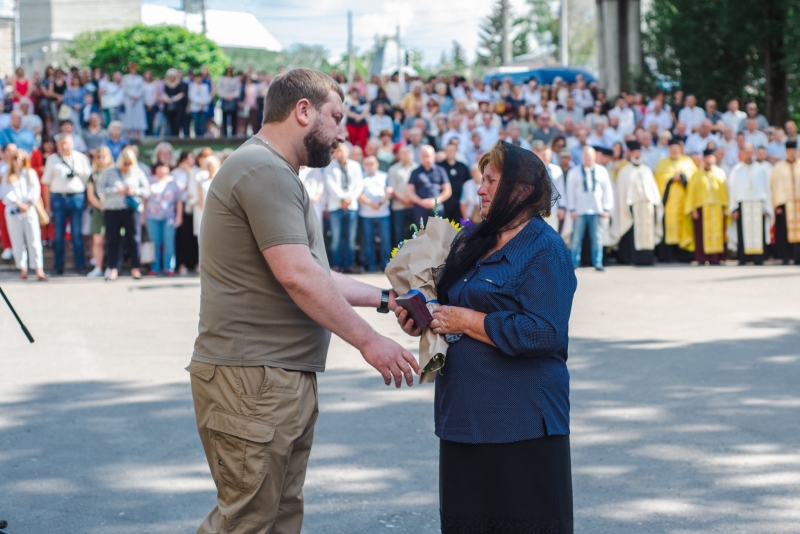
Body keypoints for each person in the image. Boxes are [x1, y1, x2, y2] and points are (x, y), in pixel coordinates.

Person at [187, 68, 419, 534]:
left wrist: (386, 298)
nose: (341, 134)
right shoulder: (264, 170)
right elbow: (297, 276)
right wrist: (370, 343)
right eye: (336, 118)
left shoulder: (272, 170)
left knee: (277, 518)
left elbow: (315, 273)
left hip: (270, 379)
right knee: (247, 523)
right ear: (303, 110)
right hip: (253, 380)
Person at [396, 140, 576, 533]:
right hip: (463, 417)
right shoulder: (473, 240)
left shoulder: (546, 250)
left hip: (521, 422)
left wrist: (467, 321)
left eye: (492, 181)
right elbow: (447, 303)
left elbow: (544, 332)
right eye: (482, 179)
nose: (480, 189)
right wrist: (422, 319)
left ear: (522, 191)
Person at [96, 147, 150, 281]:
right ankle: (113, 268)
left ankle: (135, 268)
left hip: (131, 210)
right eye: (125, 163)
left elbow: (147, 190)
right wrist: (115, 190)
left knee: (134, 239)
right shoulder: (109, 171)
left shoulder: (137, 172)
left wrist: (134, 190)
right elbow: (100, 189)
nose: (127, 166)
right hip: (112, 210)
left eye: (129, 163)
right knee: (113, 239)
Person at [41, 133, 92, 275]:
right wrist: (47, 206)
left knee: (77, 234)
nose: (64, 146)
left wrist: (88, 200)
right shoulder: (52, 160)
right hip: (58, 198)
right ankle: (58, 266)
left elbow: (89, 181)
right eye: (61, 144)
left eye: (67, 143)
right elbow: (46, 183)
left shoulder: (81, 158)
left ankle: (81, 266)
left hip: (77, 197)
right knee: (59, 235)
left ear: (72, 144)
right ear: (57, 146)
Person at [613, 141, 664, 265]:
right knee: (633, 234)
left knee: (647, 233)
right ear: (629, 153)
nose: (637, 154)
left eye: (639, 152)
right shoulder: (624, 171)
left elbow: (653, 190)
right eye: (635, 152)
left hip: (647, 207)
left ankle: (647, 258)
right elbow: (622, 192)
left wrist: (656, 204)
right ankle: (634, 258)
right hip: (632, 207)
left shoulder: (646, 170)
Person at [566, 146, 614, 270]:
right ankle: (574, 262)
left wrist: (606, 208)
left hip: (597, 210)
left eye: (590, 155)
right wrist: (571, 208)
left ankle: (597, 262)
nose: (587, 157)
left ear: (594, 156)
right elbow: (570, 191)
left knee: (597, 238)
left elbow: (607, 190)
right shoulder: (574, 171)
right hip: (579, 210)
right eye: (585, 155)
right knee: (576, 238)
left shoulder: (602, 171)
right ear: (582, 157)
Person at [0, 149, 46, 281]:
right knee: (17, 240)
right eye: (16, 158)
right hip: (14, 209)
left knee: (34, 239)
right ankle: (23, 268)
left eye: (21, 159)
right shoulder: (7, 174)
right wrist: (17, 203)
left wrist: (27, 203)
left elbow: (35, 190)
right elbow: (5, 192)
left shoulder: (30, 173)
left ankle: (38, 268)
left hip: (29, 208)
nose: (18, 161)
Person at [727, 144, 774, 265]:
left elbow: (766, 189)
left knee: (759, 232)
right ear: (742, 153)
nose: (748, 155)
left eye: (750, 152)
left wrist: (766, 207)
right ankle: (743, 259)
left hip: (758, 206)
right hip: (743, 205)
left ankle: (759, 259)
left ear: (753, 153)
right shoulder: (737, 170)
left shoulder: (761, 169)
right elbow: (732, 190)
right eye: (746, 152)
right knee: (743, 232)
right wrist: (733, 208)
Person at [653, 139, 697, 263]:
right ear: (668, 150)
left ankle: (684, 255)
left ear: (680, 149)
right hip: (668, 203)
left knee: (685, 226)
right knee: (667, 226)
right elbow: (659, 180)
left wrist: (683, 177)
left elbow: (693, 181)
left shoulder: (688, 162)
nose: (674, 151)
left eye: (676, 149)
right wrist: (671, 179)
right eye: (672, 149)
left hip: (684, 202)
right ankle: (667, 256)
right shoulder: (662, 163)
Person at [685, 148, 729, 265]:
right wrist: (693, 209)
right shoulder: (696, 175)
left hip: (717, 209)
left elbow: (724, 192)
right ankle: (701, 257)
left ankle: (716, 258)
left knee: (717, 234)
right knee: (701, 234)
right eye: (707, 157)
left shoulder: (720, 173)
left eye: (711, 157)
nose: (709, 160)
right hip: (701, 209)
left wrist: (725, 208)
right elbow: (692, 193)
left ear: (714, 159)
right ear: (703, 159)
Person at [324, 143, 363, 273]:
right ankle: (336, 264)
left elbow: (359, 185)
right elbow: (330, 185)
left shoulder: (355, 166)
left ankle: (349, 264)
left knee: (351, 238)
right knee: (336, 238)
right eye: (337, 151)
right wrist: (342, 199)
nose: (340, 154)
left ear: (347, 152)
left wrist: (349, 199)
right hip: (336, 206)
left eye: (342, 151)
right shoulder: (330, 166)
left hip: (351, 206)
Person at [146, 160, 183, 276]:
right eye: (160, 167)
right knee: (154, 243)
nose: (162, 170)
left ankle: (169, 267)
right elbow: (144, 199)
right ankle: (154, 267)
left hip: (169, 217)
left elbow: (179, 200)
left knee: (168, 242)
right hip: (151, 216)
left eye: (165, 167)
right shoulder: (150, 180)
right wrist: (142, 217)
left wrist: (179, 217)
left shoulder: (173, 182)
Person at [358, 156, 393, 272]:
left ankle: (385, 264)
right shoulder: (360, 177)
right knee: (368, 241)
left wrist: (380, 202)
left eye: (372, 163)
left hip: (383, 213)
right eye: (367, 163)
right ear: (364, 165)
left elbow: (390, 190)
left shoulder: (385, 176)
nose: (370, 165)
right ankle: (371, 265)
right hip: (366, 214)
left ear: (377, 164)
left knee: (385, 240)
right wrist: (370, 203)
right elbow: (358, 193)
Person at [85, 146, 113, 278]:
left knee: (113, 240)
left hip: (113, 210)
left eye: (104, 156)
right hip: (98, 211)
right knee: (97, 240)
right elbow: (90, 196)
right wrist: (102, 206)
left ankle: (111, 267)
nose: (102, 159)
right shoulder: (94, 175)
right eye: (99, 156)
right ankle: (98, 267)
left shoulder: (114, 172)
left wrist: (108, 205)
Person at [770, 140, 800, 264]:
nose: (792, 153)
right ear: (786, 152)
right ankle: (786, 257)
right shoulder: (778, 167)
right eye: (790, 151)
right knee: (784, 232)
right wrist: (777, 204)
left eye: (794, 151)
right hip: (785, 205)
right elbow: (774, 186)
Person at [406, 145, 452, 226]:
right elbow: (409, 191)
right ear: (420, 156)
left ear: (433, 156)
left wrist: (436, 201)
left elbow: (448, 190)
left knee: (437, 235)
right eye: (423, 156)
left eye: (428, 156)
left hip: (437, 208)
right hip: (420, 209)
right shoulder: (415, 172)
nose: (426, 159)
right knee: (421, 235)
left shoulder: (441, 170)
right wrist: (421, 202)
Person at [171, 150, 198, 274]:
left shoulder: (196, 171)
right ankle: (181, 264)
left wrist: (190, 174)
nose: (189, 161)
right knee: (182, 237)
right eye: (186, 159)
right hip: (180, 208)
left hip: (195, 208)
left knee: (194, 237)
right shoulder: (175, 173)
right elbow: (177, 190)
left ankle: (195, 263)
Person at [387, 145, 416, 245]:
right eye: (403, 153)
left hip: (414, 205)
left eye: (408, 152)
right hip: (399, 206)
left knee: (415, 233)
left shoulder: (417, 167)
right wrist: (404, 200)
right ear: (399, 155)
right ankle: (399, 258)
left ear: (412, 154)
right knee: (399, 233)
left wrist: (412, 199)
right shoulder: (393, 169)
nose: (406, 155)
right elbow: (392, 188)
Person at [439, 143, 471, 221]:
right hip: (444, 203)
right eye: (448, 150)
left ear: (456, 151)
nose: (450, 152)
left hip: (459, 203)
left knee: (458, 229)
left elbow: (467, 183)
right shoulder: (439, 166)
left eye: (452, 150)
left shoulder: (462, 166)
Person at [193, 155, 221, 240]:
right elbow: (200, 199)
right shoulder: (202, 182)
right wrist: (207, 212)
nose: (211, 168)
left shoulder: (220, 181)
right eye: (209, 165)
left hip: (217, 214)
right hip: (203, 213)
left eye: (213, 165)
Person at [217, 66, 241, 137]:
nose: (229, 72)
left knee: (234, 119)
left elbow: (237, 89)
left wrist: (232, 96)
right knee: (224, 119)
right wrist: (225, 96)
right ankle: (224, 135)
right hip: (225, 100)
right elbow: (219, 89)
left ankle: (234, 135)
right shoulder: (222, 79)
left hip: (233, 101)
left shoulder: (235, 79)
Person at [162, 69, 186, 137]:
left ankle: (176, 137)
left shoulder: (179, 84)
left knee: (177, 122)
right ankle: (171, 137)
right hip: (168, 107)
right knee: (170, 123)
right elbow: (164, 94)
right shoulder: (166, 85)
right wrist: (167, 99)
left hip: (177, 107)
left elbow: (182, 94)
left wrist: (173, 99)